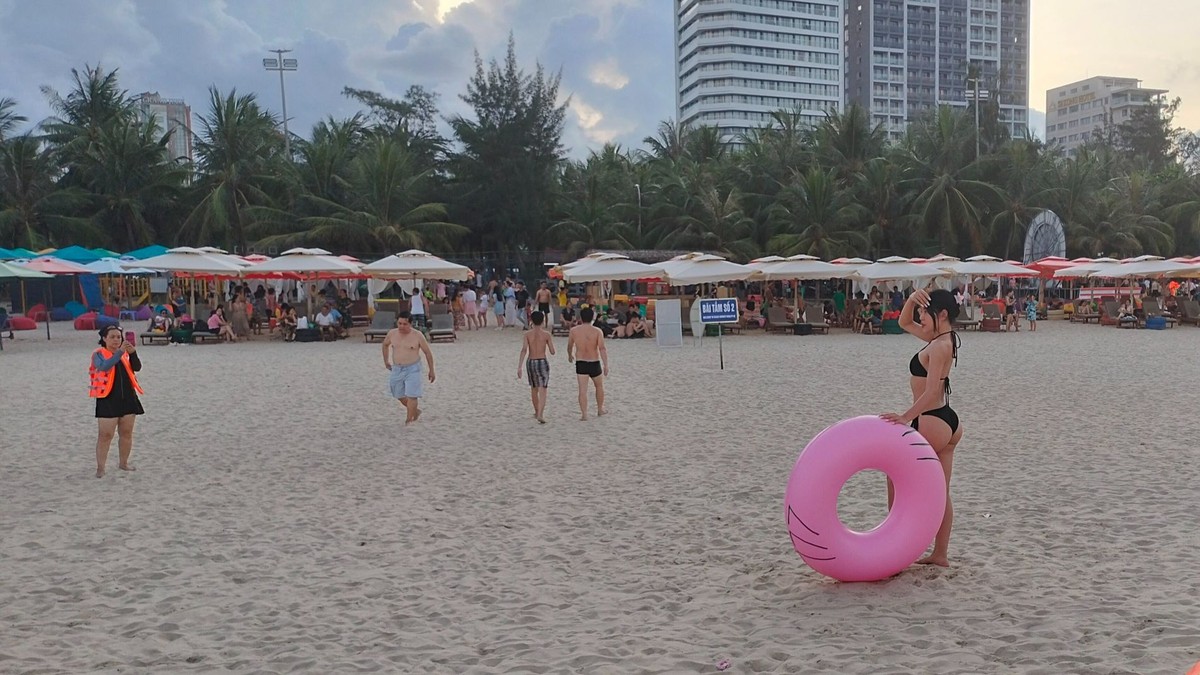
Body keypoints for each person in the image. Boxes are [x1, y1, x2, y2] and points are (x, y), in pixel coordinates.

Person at [881, 288, 964, 567]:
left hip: (931, 419)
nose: (919, 317)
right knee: (941, 491)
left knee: (895, 477)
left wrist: (905, 417)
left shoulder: (940, 345)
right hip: (947, 423)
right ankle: (940, 555)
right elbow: (904, 323)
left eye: (924, 313)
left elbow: (930, 393)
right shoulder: (940, 338)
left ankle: (894, 543)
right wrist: (913, 300)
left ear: (941, 314)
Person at [90, 325, 144, 478]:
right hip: (107, 398)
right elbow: (105, 366)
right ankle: (101, 467)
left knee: (126, 433)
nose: (116, 340)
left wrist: (133, 353)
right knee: (105, 435)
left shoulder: (125, 354)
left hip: (128, 398)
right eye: (112, 337)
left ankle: (123, 463)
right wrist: (120, 352)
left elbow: (137, 367)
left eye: (118, 337)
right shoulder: (98, 354)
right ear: (104, 339)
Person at [382, 311, 436, 425]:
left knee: (412, 394)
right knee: (398, 394)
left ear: (410, 324)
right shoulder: (392, 333)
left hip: (413, 368)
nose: (402, 326)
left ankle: (409, 419)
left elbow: (427, 353)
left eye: (405, 324)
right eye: (400, 323)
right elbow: (385, 345)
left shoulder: (417, 335)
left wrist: (432, 370)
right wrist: (386, 361)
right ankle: (415, 411)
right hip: (397, 368)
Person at [567, 307, 609, 421]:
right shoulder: (597, 331)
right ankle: (600, 409)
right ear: (592, 318)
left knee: (582, 390)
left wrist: (569, 355)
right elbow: (602, 348)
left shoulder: (574, 331)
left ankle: (584, 414)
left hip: (581, 362)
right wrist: (605, 364)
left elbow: (570, 345)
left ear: (581, 317)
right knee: (599, 386)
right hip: (594, 362)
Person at [517, 310, 556, 423]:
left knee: (534, 388)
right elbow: (552, 351)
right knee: (542, 388)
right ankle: (540, 414)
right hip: (542, 361)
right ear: (543, 321)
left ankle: (536, 411)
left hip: (531, 361)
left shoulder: (527, 334)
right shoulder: (546, 334)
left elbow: (524, 350)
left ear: (531, 321)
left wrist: (519, 366)